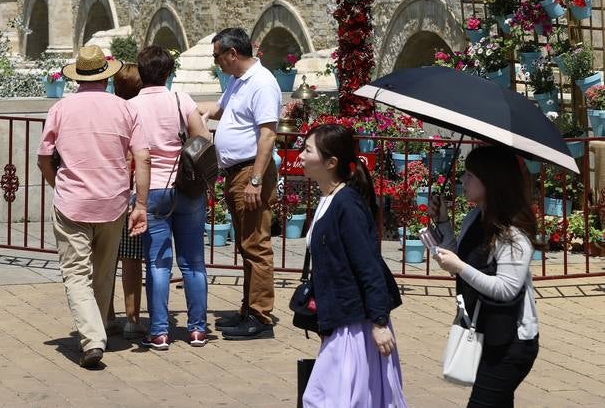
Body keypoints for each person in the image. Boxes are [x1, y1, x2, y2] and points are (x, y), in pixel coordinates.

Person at [36, 46, 150, 369]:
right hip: (113, 202)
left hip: (72, 200)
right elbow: (142, 157)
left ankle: (92, 339)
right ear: (106, 75)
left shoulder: (61, 108)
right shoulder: (125, 110)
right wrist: (140, 203)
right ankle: (95, 332)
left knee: (76, 273)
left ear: (77, 77)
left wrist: (55, 183)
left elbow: (44, 156)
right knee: (102, 273)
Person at [299, 124, 406, 407]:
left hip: (356, 325)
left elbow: (368, 265)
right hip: (339, 319)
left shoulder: (347, 205)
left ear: (330, 162)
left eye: (307, 150)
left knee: (335, 399)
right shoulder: (328, 198)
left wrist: (379, 323)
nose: (300, 155)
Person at [429, 145, 539, 407]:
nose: (463, 181)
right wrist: (443, 223)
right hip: (485, 330)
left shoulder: (513, 234)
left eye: (470, 175)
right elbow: (462, 256)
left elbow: (505, 289)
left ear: (491, 180)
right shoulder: (475, 216)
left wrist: (459, 268)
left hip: (512, 341)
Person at [200, 28, 281, 340]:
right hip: (238, 172)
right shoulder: (237, 81)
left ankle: (260, 316)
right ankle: (249, 308)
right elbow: (220, 109)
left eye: (217, 56)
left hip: (250, 172)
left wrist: (257, 180)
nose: (216, 62)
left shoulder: (262, 84)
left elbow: (268, 134)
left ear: (232, 54)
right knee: (247, 243)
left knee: (256, 245)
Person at [130, 46, 210, 350]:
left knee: (158, 264)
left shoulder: (132, 106)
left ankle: (160, 331)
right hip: (186, 187)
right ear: (168, 72)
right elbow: (202, 138)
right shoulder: (181, 99)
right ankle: (198, 330)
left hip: (150, 191)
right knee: (193, 263)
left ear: (141, 73)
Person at [106, 63, 147, 340]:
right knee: (132, 259)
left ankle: (107, 315)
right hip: (131, 193)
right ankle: (133, 318)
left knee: (106, 259)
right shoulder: (137, 114)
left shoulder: (110, 112)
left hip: (108, 192)